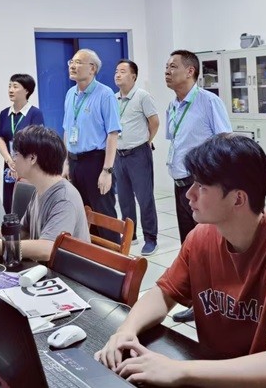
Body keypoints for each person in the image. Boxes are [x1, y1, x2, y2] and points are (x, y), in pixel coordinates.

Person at [95, 134, 266, 387]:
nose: (189, 194)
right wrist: (126, 330)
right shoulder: (202, 239)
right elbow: (163, 293)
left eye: (202, 187)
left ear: (238, 199)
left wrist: (179, 370)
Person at [165, 49, 231, 322]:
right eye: (166, 66)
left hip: (202, 187)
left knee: (208, 246)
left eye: (173, 66)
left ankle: (218, 301)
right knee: (190, 244)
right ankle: (197, 300)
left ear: (190, 71)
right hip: (180, 183)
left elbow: (225, 141)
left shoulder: (208, 102)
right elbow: (175, 140)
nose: (167, 71)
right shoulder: (173, 105)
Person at [0, 125, 90, 261]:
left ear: (32, 158)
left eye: (16, 154)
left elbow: (47, 249)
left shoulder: (64, 198)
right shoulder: (40, 189)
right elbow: (23, 232)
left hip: (67, 273)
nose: (13, 160)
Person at [62, 49, 121, 242]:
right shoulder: (70, 94)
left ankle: (115, 257)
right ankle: (91, 254)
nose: (72, 66)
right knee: (81, 213)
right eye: (72, 61)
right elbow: (67, 129)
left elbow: (113, 134)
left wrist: (107, 171)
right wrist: (66, 162)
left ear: (93, 68)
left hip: (96, 162)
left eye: (78, 62)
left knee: (103, 215)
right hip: (74, 161)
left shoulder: (105, 95)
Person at [113, 59, 160, 256]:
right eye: (116, 71)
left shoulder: (142, 96)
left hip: (138, 153)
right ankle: (130, 235)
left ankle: (151, 239)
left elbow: (154, 122)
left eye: (122, 71)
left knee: (144, 197)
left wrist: (147, 141)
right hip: (118, 155)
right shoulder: (113, 98)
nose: (117, 74)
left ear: (133, 76)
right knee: (124, 198)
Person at [0, 73, 44, 213]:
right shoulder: (4, 113)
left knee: (27, 202)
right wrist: (9, 160)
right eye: (9, 86)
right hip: (10, 165)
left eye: (15, 86)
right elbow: (0, 137)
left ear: (26, 90)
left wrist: (20, 162)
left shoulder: (35, 113)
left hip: (28, 165)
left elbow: (37, 141)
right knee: (10, 201)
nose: (11, 90)